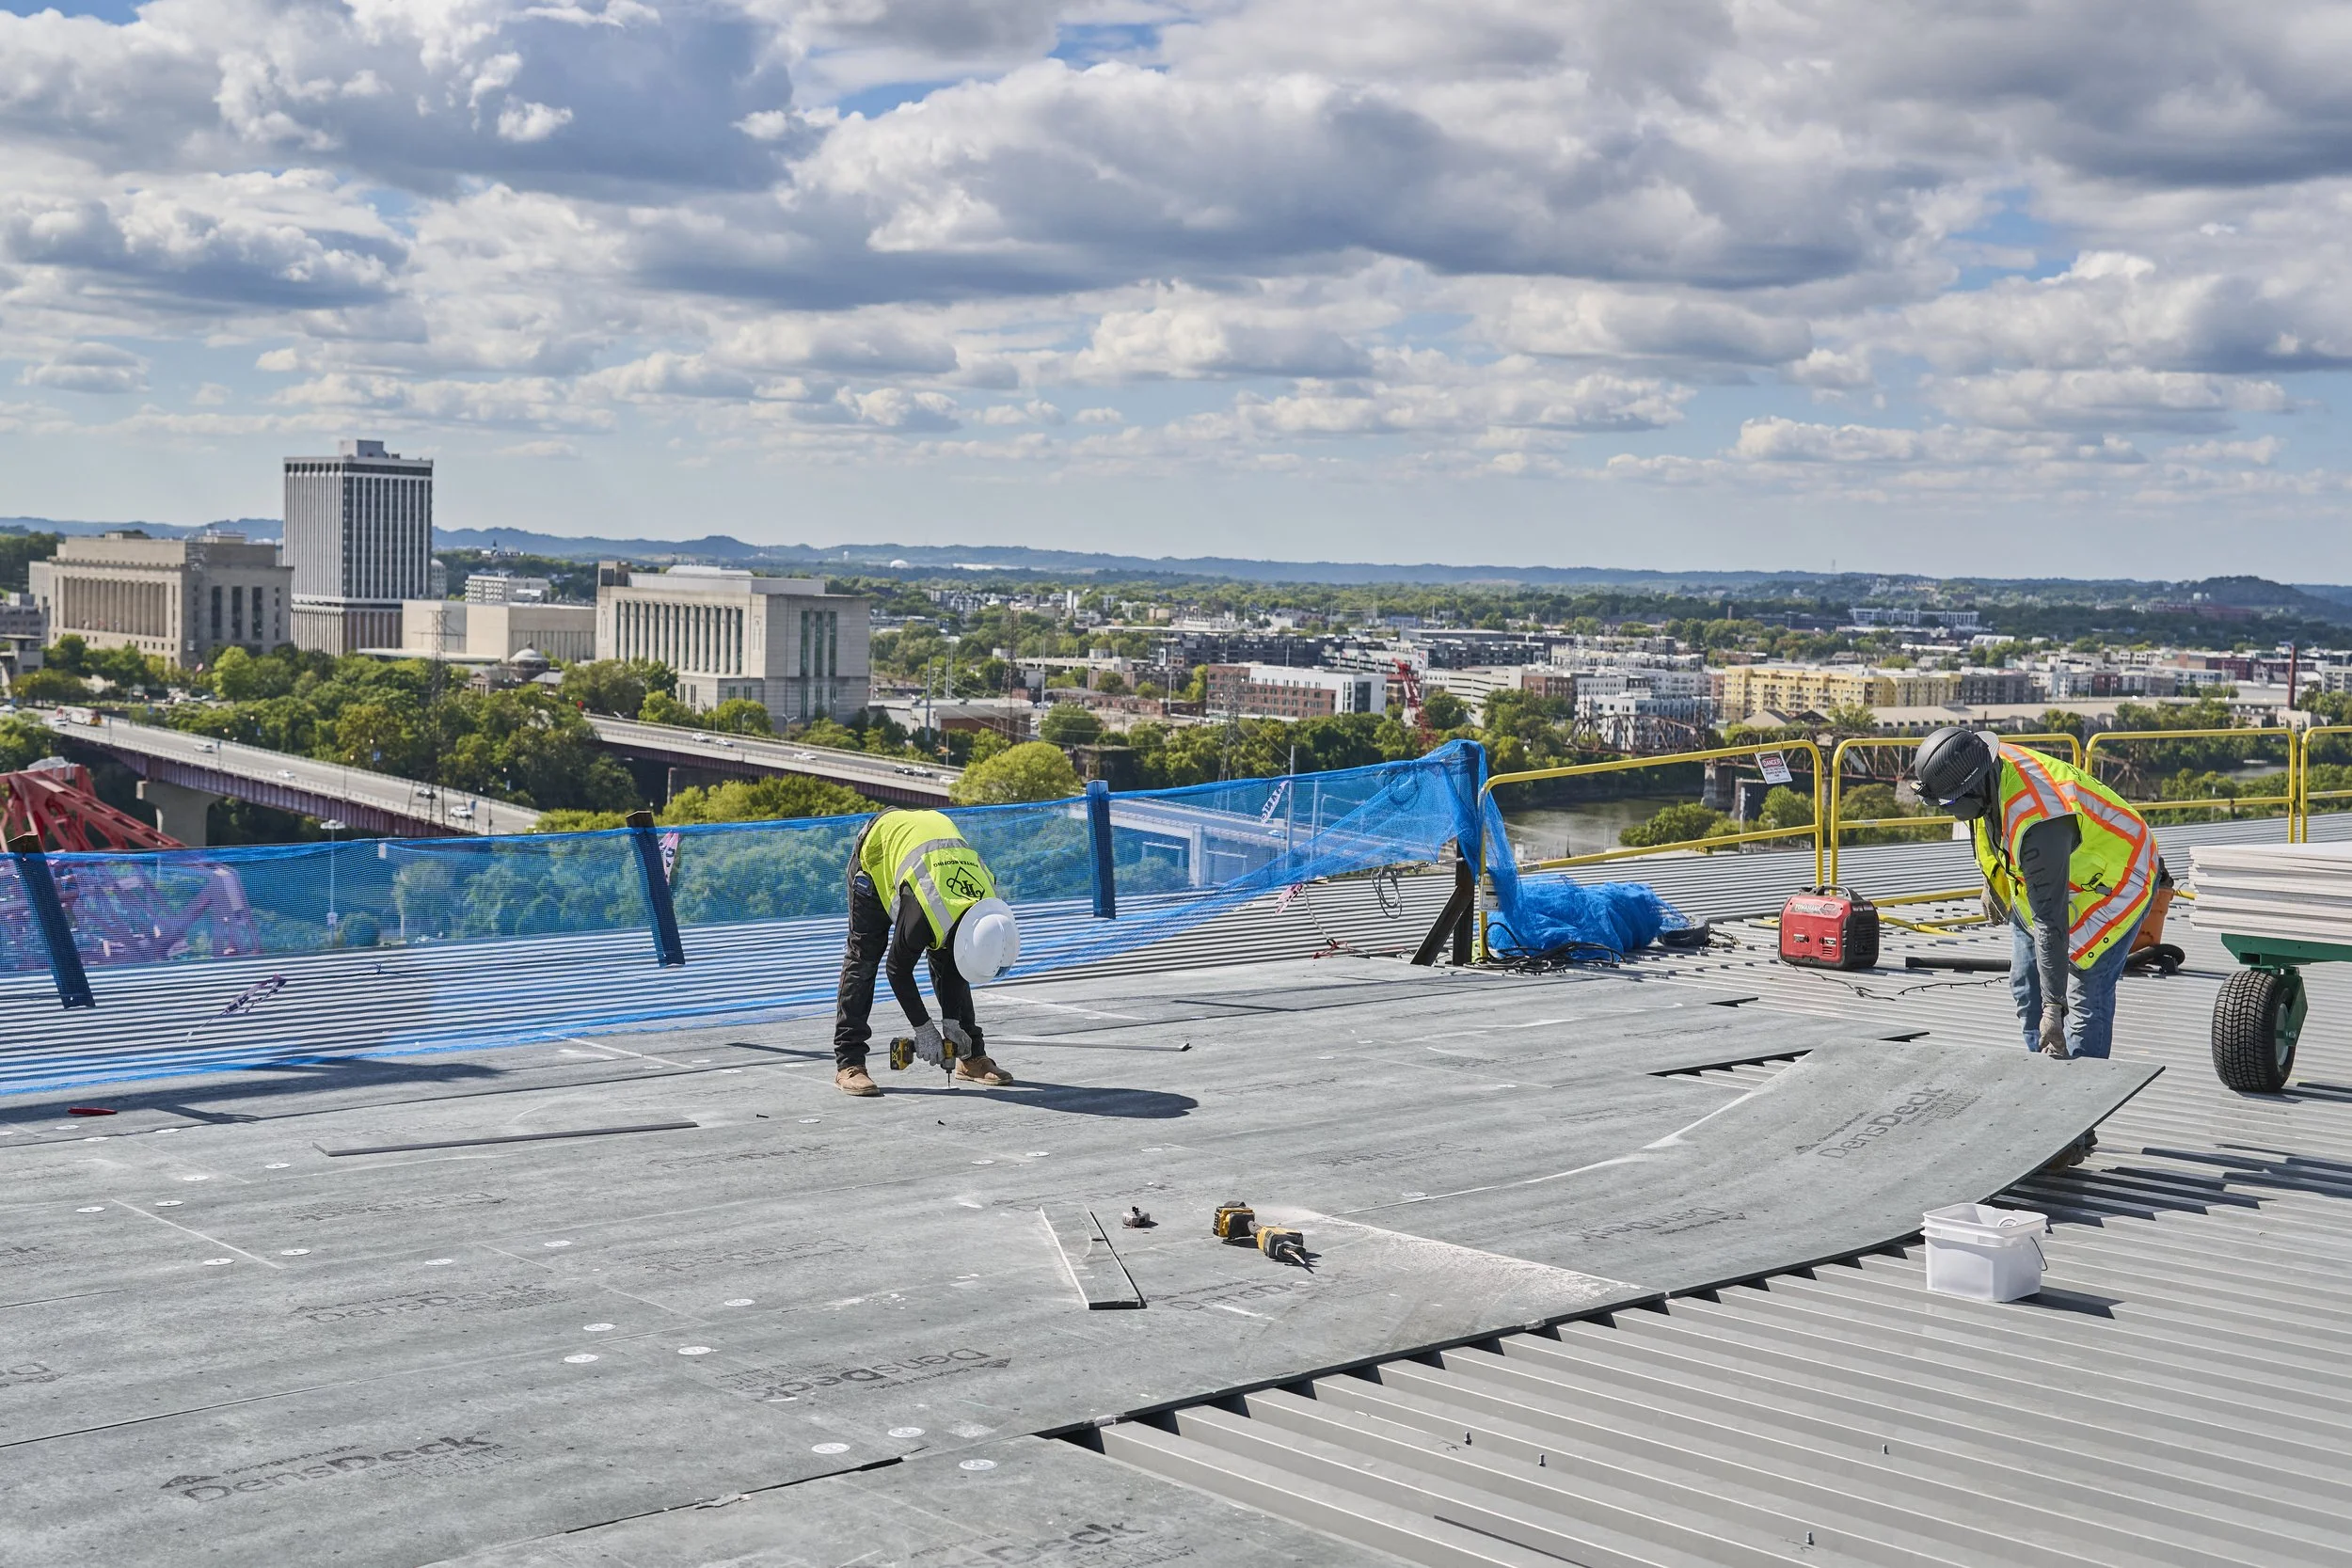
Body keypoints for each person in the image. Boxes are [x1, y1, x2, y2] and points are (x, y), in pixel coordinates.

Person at [1912, 727, 2156, 1061]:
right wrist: (1991, 880)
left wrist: (2054, 1006)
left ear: (1973, 788)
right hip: (2054, 880)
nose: (1948, 812)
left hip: (2116, 882)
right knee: (2026, 986)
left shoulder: (2039, 821)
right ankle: (2042, 1071)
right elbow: (1987, 825)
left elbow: (2050, 921)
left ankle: (2080, 1096)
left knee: (2087, 995)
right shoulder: (1988, 767)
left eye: (1950, 803)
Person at [832, 807, 1022, 1097]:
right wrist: (924, 1029)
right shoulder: (923, 913)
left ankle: (971, 1056)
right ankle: (850, 1063)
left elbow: (958, 965)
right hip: (877, 857)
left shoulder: (989, 907)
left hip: (927, 853)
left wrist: (952, 1023)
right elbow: (897, 970)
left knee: (949, 957)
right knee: (864, 957)